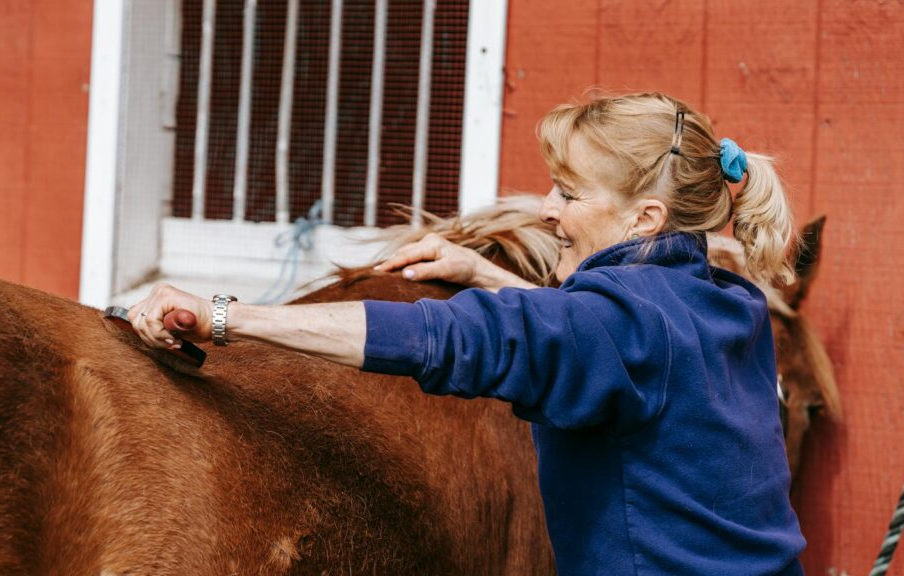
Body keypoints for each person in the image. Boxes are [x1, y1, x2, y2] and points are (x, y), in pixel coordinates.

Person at [128, 92, 806, 575]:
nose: (546, 209)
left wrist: (230, 317)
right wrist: (485, 272)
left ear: (644, 218)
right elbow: (609, 341)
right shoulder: (729, 301)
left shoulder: (616, 325)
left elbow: (441, 338)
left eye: (569, 193)